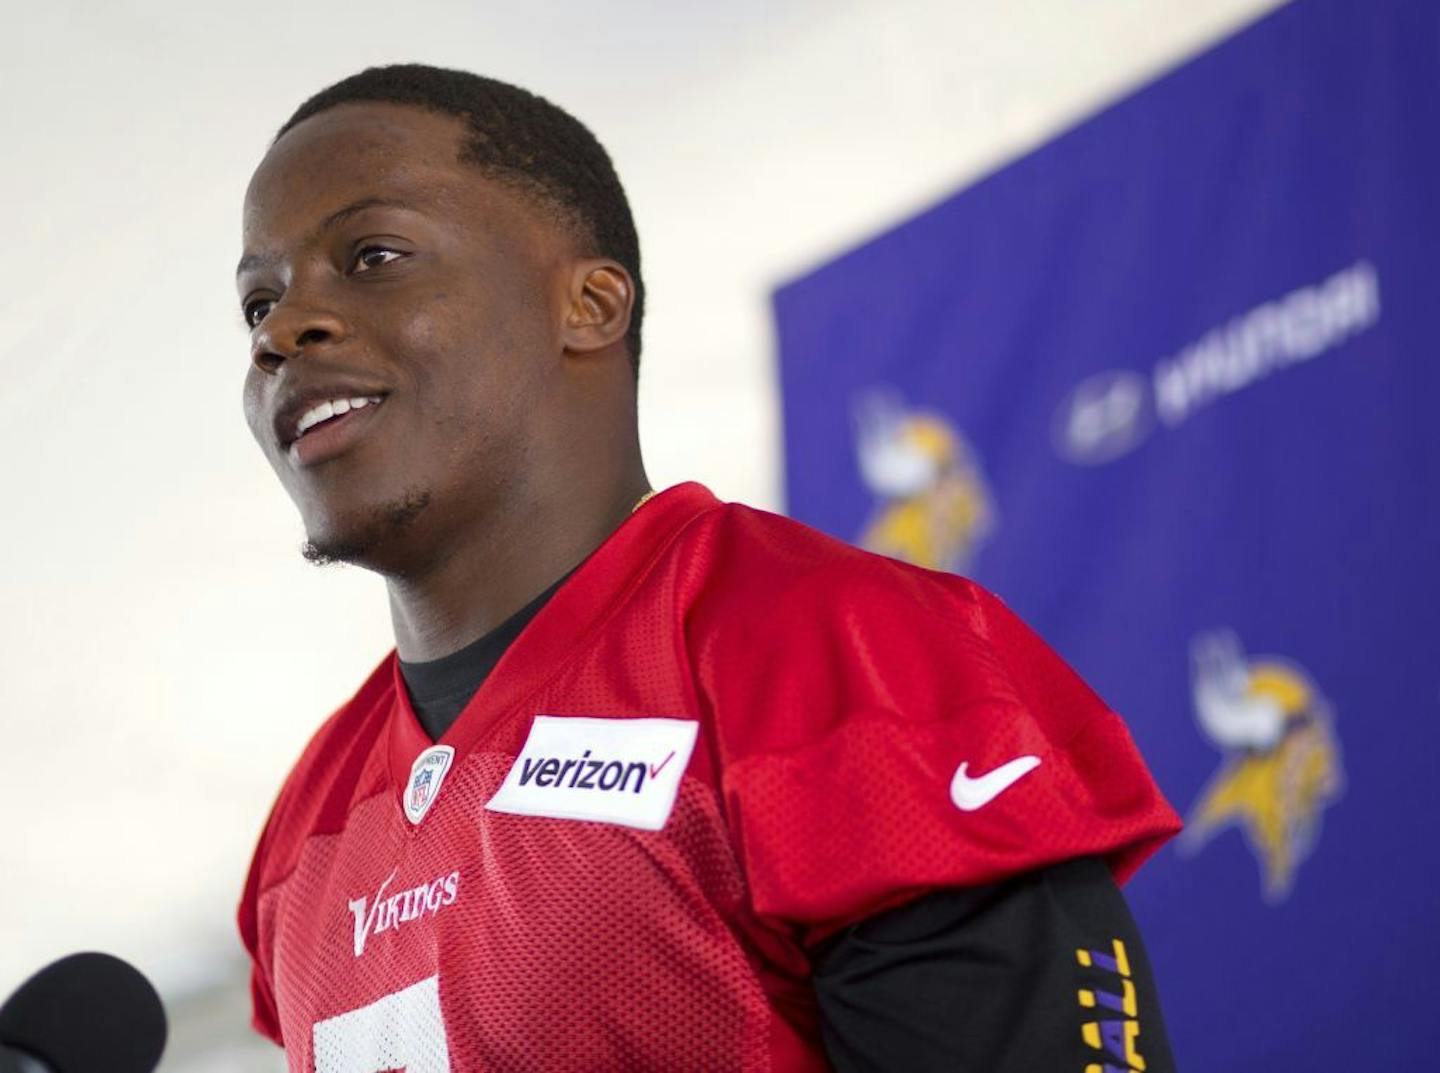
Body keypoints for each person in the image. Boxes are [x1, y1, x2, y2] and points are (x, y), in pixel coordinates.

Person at [235, 63, 1182, 1073]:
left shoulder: (833, 648)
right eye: (256, 305)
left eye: (373, 255)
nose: (283, 332)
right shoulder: (303, 838)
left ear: (590, 303)